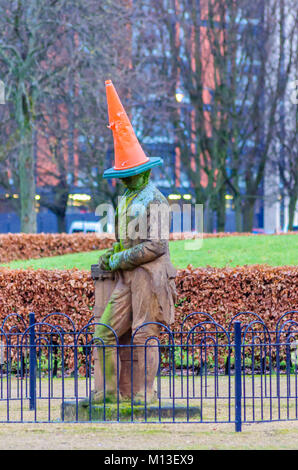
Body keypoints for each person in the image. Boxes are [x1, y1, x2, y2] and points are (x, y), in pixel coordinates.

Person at [92, 80, 177, 404]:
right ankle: (109, 392)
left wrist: (118, 259)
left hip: (149, 277)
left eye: (129, 174)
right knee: (105, 332)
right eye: (122, 176)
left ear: (145, 172)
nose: (125, 179)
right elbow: (126, 240)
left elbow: (156, 245)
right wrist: (112, 254)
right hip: (127, 278)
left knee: (145, 333)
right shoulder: (128, 199)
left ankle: (146, 394)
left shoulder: (155, 200)